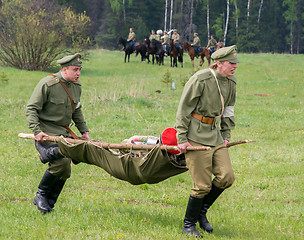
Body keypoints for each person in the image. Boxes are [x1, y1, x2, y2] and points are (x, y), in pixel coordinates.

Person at [175, 45, 239, 237]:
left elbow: (228, 110)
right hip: (195, 135)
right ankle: (189, 224)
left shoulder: (231, 82)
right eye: (231, 63)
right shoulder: (201, 79)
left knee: (227, 177)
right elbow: (184, 109)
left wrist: (226, 135)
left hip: (215, 135)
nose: (235, 66)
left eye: (236, 63)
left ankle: (201, 212)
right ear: (218, 64)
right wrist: (181, 138)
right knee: (202, 185)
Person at [25, 53, 90, 214]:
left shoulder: (76, 87)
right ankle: (40, 195)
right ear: (64, 69)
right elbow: (31, 108)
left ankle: (49, 204)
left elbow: (76, 111)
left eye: (80, 70)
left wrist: (84, 131)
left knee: (66, 169)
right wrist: (37, 131)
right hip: (46, 132)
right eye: (75, 70)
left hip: (63, 133)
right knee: (61, 163)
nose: (78, 73)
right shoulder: (47, 84)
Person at [35, 128, 188, 186]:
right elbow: (136, 138)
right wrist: (131, 144)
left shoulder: (157, 154)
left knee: (91, 149)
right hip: (129, 163)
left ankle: (51, 153)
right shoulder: (174, 155)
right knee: (92, 149)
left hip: (128, 168)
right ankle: (61, 155)